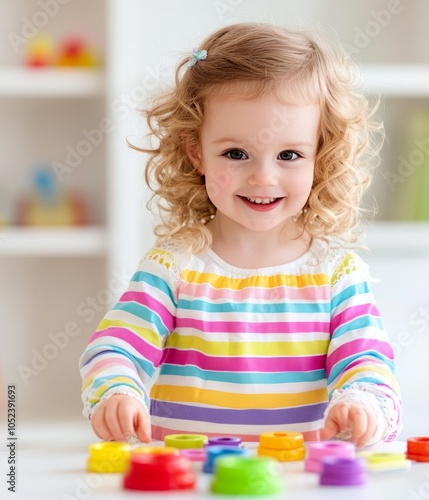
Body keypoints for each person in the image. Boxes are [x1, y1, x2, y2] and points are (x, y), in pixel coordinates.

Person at [80, 22, 402, 447]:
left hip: (298, 483)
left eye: (290, 154)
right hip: (190, 484)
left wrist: (362, 405)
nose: (263, 177)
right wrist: (117, 393)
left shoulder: (337, 275)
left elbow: (371, 366)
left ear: (320, 155)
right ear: (196, 151)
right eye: (236, 153)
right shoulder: (174, 267)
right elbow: (114, 349)